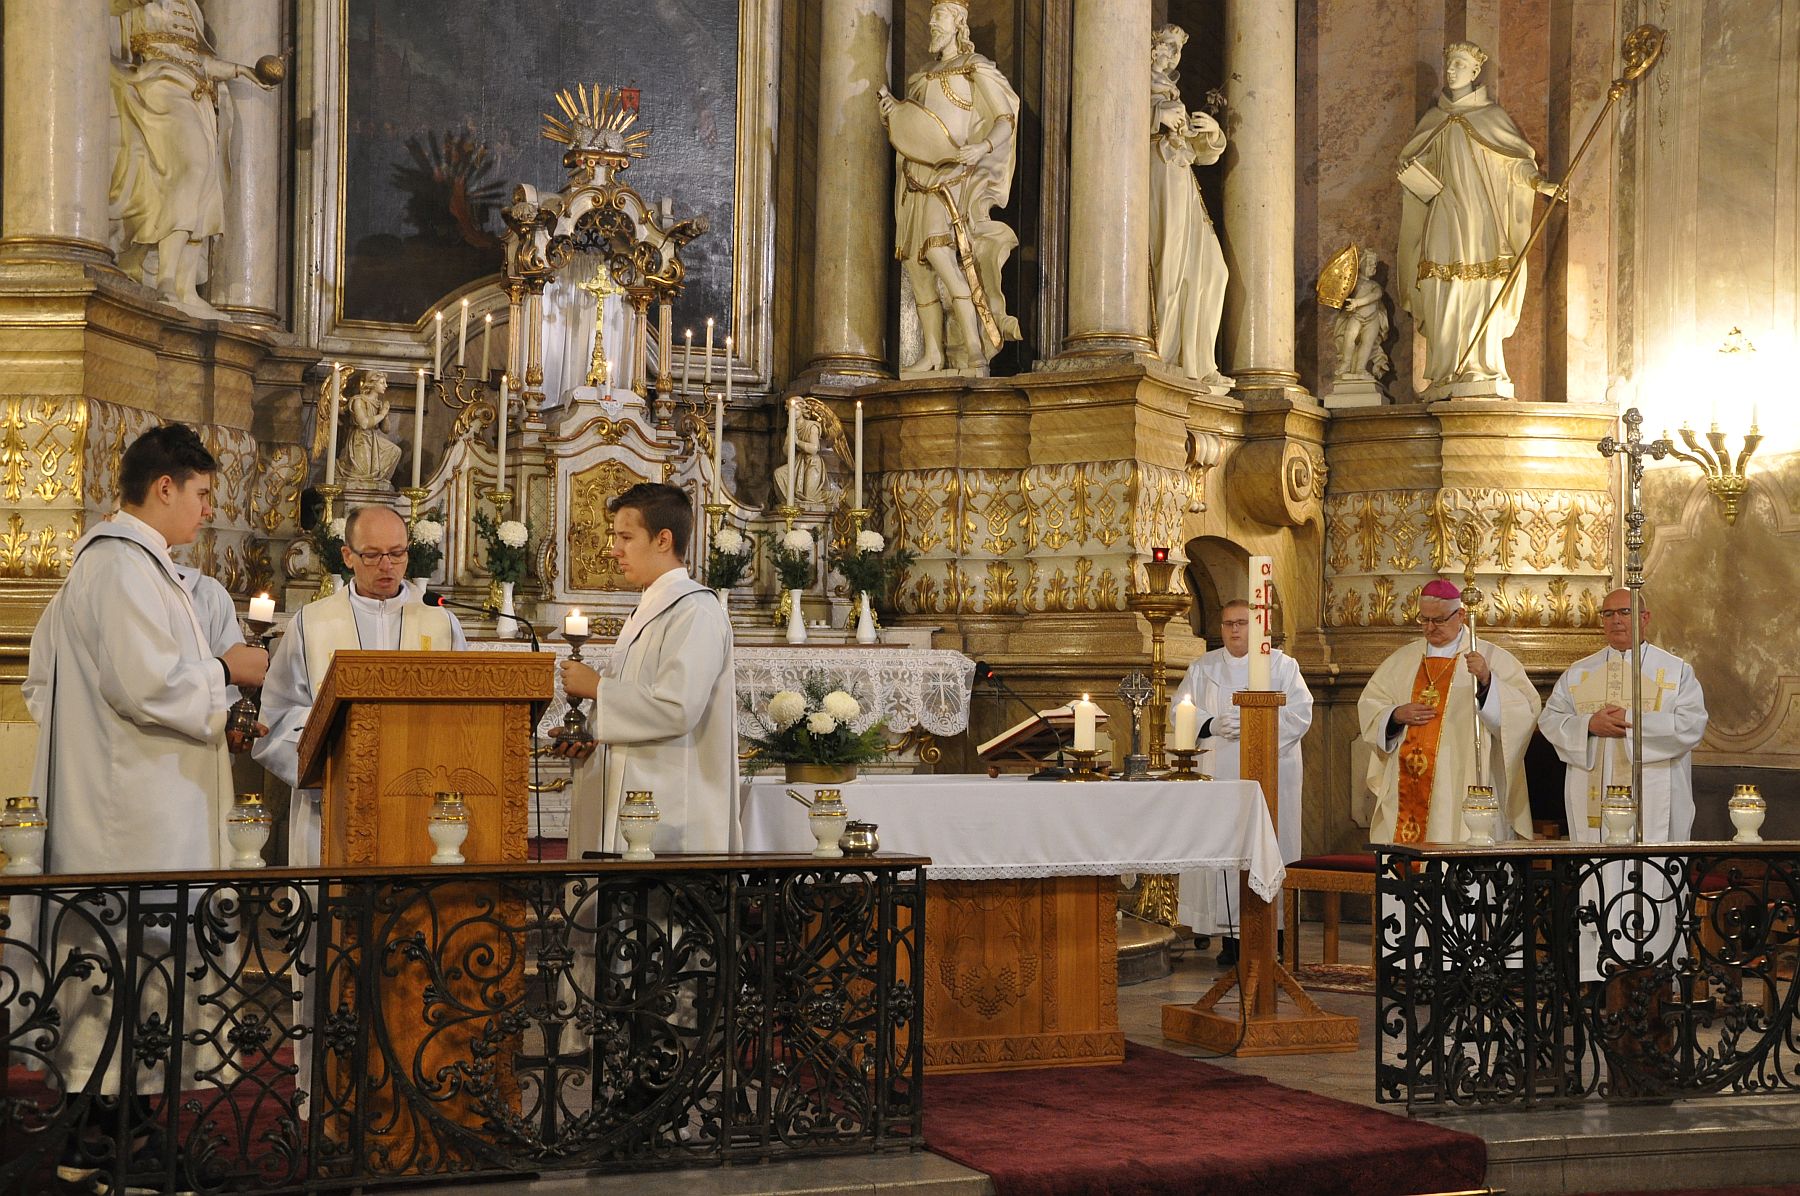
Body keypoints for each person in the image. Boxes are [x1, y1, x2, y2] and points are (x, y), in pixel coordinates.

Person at [20, 423, 269, 1095]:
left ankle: (128, 1139)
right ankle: (104, 1143)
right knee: (124, 979)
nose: (210, 509)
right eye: (203, 493)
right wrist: (227, 667)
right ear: (165, 487)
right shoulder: (120, 567)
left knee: (147, 983)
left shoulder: (136, 567)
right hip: (130, 819)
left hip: (143, 808)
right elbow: (146, 686)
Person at [253, 505, 466, 869]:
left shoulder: (440, 622)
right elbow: (275, 716)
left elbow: (464, 716)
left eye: (397, 553)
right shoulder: (313, 623)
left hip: (420, 800)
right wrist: (333, 740)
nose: (387, 565)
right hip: (334, 801)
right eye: (372, 555)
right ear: (348, 556)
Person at [554, 482, 739, 855]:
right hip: (636, 800)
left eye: (626, 536)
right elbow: (639, 702)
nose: (614, 549)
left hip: (670, 810)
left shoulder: (695, 611)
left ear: (663, 539)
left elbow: (676, 708)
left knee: (656, 914)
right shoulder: (651, 606)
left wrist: (597, 689)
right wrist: (587, 735)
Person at [1538, 589, 1708, 978]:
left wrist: (1630, 723)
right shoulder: (1579, 673)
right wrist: (1588, 726)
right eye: (1608, 613)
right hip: (1592, 802)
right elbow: (1550, 721)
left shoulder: (1676, 670)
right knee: (1598, 879)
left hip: (1655, 803)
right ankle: (1598, 975)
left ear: (1645, 618)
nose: (1616, 620)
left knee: (1655, 876)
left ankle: (1659, 972)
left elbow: (1691, 725)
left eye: (1625, 612)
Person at [1396, 42, 1562, 399]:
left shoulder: (1491, 117)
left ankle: (1482, 365)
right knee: (1440, 283)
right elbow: (1413, 164)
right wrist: (1409, 169)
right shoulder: (1432, 120)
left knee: (1482, 283)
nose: (1452, 70)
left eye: (1460, 64)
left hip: (1481, 214)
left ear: (1475, 73)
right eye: (1449, 64)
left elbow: (1515, 162)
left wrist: (1539, 182)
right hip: (1443, 211)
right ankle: (1444, 369)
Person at [878, 0, 1022, 375]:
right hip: (914, 177)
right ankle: (934, 353)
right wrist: (893, 114)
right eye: (931, 18)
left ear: (959, 22)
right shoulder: (921, 76)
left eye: (939, 17)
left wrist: (982, 147)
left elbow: (1005, 117)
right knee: (916, 263)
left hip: (951, 173)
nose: (932, 25)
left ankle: (974, 350)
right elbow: (917, 127)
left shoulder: (975, 68)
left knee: (942, 256)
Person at [111, 0, 279, 316]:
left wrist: (240, 70)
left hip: (196, 93)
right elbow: (106, 20)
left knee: (206, 185)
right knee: (191, 169)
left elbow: (195, 60)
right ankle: (165, 278)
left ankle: (184, 288)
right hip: (158, 84)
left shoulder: (190, 8)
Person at [1169, 599, 1312, 965]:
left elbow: (1300, 714)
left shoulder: (1282, 665)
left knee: (1270, 845)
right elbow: (1179, 709)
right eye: (1228, 623)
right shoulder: (1204, 667)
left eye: (1242, 623)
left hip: (1271, 771)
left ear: (1258, 626)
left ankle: (1274, 935)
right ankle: (1230, 939)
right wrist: (1210, 724)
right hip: (1219, 771)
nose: (1234, 630)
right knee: (1226, 848)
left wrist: (1258, 727)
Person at [1358, 579, 1540, 844]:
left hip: (1466, 778)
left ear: (1461, 615)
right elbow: (1371, 705)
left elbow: (1527, 711)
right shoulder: (1401, 660)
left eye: (1439, 620)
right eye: (1424, 620)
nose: (1430, 628)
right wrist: (1395, 715)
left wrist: (1488, 681)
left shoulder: (1491, 657)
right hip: (1407, 783)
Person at [1149, 24, 1230, 388]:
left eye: (1176, 49)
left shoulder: (1171, 91)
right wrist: (1155, 117)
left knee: (1213, 269)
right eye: (1165, 45)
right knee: (1169, 262)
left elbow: (1193, 150)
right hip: (1158, 179)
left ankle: (1198, 361)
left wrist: (1211, 135)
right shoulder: (1130, 81)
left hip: (1182, 180)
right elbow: (1106, 121)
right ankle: (1164, 352)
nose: (1170, 54)